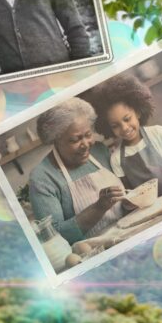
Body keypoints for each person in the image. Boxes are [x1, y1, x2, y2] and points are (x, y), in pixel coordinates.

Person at [28, 98, 129, 245]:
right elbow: (54, 237)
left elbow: (126, 191)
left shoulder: (100, 150)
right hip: (92, 252)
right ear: (55, 140)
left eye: (88, 135)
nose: (86, 144)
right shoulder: (43, 178)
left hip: (128, 232)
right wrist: (99, 207)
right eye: (76, 140)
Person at [84, 74, 162, 197]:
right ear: (107, 127)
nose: (124, 128)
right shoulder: (116, 159)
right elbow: (129, 193)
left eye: (127, 119)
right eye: (115, 125)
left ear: (138, 112)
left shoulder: (158, 133)